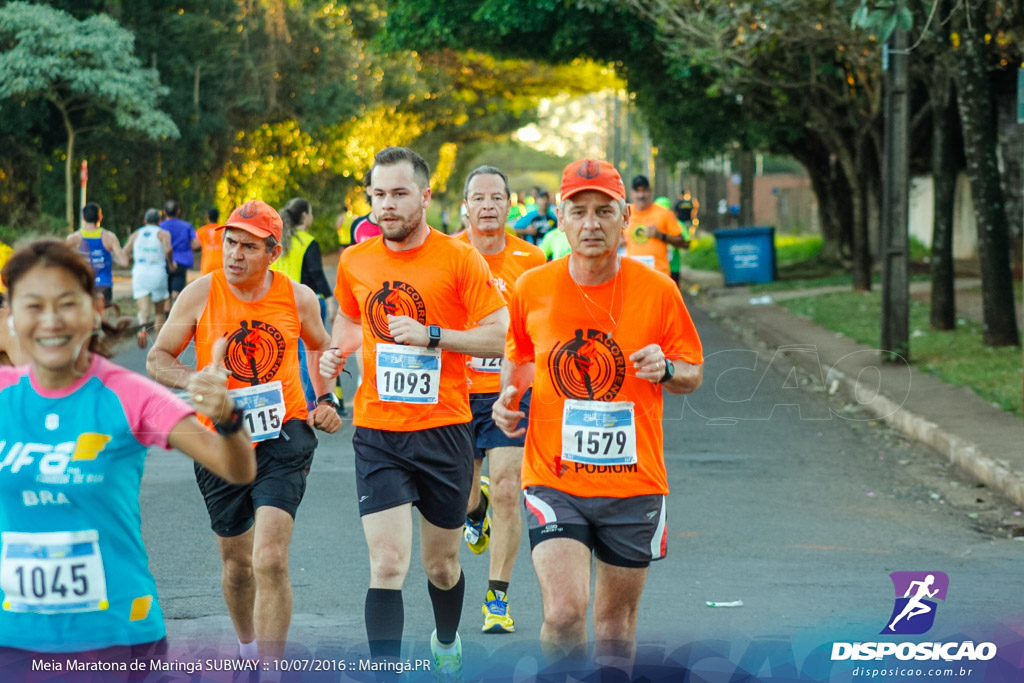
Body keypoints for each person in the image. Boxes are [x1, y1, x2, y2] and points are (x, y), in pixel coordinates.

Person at [0, 239, 254, 670]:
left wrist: (227, 417)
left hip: (120, 636)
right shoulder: (6, 395)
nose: (51, 321)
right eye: (33, 306)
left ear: (95, 308)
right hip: (16, 639)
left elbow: (235, 467)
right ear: (12, 317)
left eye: (66, 303)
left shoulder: (127, 394)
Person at [492, 159, 704, 675]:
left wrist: (667, 368)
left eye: (603, 211)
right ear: (559, 219)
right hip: (553, 477)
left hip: (633, 484)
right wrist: (508, 397)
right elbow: (520, 354)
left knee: (613, 627)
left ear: (625, 217)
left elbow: (693, 371)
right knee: (564, 614)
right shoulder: (533, 288)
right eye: (578, 211)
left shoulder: (658, 291)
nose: (591, 224)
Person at [320, 147, 508, 679]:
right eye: (377, 195)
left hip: (445, 428)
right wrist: (336, 357)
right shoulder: (356, 261)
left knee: (442, 566)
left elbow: (500, 333)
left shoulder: (459, 258)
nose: (386, 207)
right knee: (387, 565)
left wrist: (434, 336)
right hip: (378, 432)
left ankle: (446, 640)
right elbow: (350, 322)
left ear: (425, 197)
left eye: (399, 194)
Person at [146, 200, 342, 666]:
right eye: (230, 242)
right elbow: (158, 358)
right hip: (221, 440)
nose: (234, 254)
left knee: (269, 558)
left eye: (248, 247)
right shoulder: (200, 293)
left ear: (273, 252)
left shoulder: (298, 297)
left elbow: (321, 347)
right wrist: (194, 380)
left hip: (284, 430)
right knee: (237, 566)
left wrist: (326, 399)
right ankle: (248, 649)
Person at [456, 165, 545, 634]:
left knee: (509, 488)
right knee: (464, 495)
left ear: (509, 205)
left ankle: (497, 599)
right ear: (464, 206)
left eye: (496, 198)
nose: (488, 206)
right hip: (454, 393)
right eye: (479, 198)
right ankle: (475, 510)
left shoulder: (532, 261)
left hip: (513, 392)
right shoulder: (447, 255)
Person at [271, 198, 340, 411]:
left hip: (279, 304)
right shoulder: (308, 242)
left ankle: (285, 403)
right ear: (303, 215)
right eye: (310, 213)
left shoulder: (279, 241)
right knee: (311, 356)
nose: (311, 217)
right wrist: (330, 301)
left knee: (284, 358)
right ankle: (311, 404)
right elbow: (317, 275)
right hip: (306, 304)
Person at [65, 202, 128, 313]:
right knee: (103, 320)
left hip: (83, 283)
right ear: (100, 217)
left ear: (83, 218)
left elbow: (61, 260)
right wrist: (112, 257)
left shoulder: (74, 238)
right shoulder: (109, 237)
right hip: (103, 285)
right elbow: (124, 262)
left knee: (84, 318)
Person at [124, 208, 174, 348]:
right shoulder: (163, 233)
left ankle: (142, 330)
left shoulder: (136, 234)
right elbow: (168, 249)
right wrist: (170, 263)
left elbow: (124, 252)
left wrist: (133, 258)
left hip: (140, 272)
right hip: (157, 272)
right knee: (159, 310)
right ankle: (158, 344)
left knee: (143, 309)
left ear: (145, 221)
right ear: (159, 221)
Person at [625, 176, 689, 279]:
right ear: (632, 193)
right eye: (637, 191)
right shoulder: (625, 214)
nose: (641, 195)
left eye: (644, 191)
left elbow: (682, 242)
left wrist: (661, 236)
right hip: (634, 276)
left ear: (650, 191)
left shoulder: (664, 214)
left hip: (659, 276)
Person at [160, 199, 200, 306]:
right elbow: (197, 244)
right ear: (178, 211)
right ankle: (176, 315)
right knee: (177, 292)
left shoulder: (160, 227)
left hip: (163, 261)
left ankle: (167, 318)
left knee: (165, 294)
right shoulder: (187, 226)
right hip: (182, 261)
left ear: (164, 212)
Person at [196, 208, 224, 276]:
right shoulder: (224, 230)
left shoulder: (201, 230)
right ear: (218, 217)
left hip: (207, 263)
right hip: (221, 263)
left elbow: (196, 245)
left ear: (208, 217)